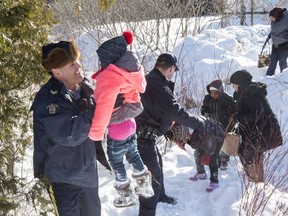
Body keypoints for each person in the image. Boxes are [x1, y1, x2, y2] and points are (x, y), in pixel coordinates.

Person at [32, 40, 113, 216]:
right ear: (57, 71)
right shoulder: (47, 100)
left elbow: (100, 123)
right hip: (63, 179)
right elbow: (69, 134)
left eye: (77, 61)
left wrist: (115, 102)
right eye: (72, 64)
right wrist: (99, 109)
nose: (79, 67)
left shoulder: (86, 89)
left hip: (88, 175)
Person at [135, 53, 207, 216]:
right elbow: (173, 110)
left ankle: (160, 196)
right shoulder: (158, 85)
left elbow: (156, 108)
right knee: (150, 181)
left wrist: (165, 127)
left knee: (157, 166)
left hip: (147, 137)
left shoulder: (151, 80)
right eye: (174, 69)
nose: (173, 72)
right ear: (171, 68)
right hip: (142, 139)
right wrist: (198, 123)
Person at [88, 31, 154, 208]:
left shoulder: (109, 76)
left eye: (101, 60)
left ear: (109, 59)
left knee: (116, 161)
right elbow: (141, 89)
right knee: (133, 154)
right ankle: (145, 186)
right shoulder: (131, 70)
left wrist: (95, 134)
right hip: (131, 123)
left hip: (117, 127)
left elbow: (103, 108)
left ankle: (126, 195)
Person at [230, 70, 282, 182]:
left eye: (234, 85)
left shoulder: (251, 95)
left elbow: (258, 114)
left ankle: (255, 181)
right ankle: (256, 180)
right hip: (254, 130)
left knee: (247, 154)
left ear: (240, 84)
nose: (233, 87)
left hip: (263, 130)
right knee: (252, 154)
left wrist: (239, 118)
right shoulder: (245, 93)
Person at [171, 118, 225, 192]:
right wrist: (184, 141)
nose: (184, 140)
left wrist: (207, 155)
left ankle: (214, 181)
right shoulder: (189, 128)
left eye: (184, 138)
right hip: (205, 137)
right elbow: (195, 142)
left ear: (187, 133)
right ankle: (201, 173)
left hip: (217, 138)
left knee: (212, 160)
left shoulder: (201, 131)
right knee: (198, 154)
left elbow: (210, 146)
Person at [201, 79, 236, 170]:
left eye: (215, 93)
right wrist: (204, 112)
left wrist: (231, 115)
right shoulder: (208, 98)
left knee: (225, 142)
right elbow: (204, 107)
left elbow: (235, 109)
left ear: (220, 91)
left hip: (226, 124)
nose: (213, 95)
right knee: (215, 142)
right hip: (213, 124)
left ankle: (224, 160)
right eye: (211, 93)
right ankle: (215, 158)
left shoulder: (227, 98)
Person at [266, 7, 288, 76]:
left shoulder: (286, 20)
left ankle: (284, 78)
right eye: (270, 18)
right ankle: (267, 77)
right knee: (272, 62)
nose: (271, 19)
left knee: (282, 62)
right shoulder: (275, 19)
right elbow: (274, 29)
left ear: (277, 16)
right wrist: (270, 35)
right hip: (275, 45)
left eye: (272, 18)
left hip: (284, 45)